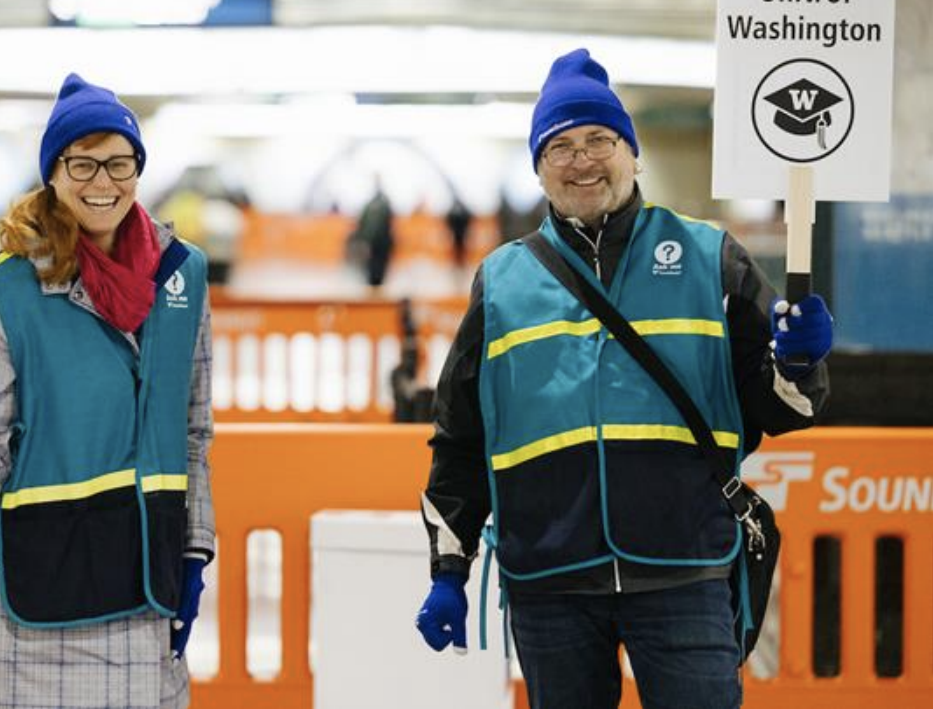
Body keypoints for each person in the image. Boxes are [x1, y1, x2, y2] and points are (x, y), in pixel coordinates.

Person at [414, 49, 832, 709]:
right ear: (540, 167)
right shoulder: (501, 284)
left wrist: (800, 363)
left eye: (599, 140)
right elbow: (460, 437)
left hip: (685, 569)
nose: (582, 160)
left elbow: (785, 408)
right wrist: (448, 568)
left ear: (630, 152)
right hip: (549, 579)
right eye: (561, 146)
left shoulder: (710, 258)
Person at [0, 73, 216, 709]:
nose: (103, 182)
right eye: (83, 163)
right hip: (29, 595)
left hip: (144, 580)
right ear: (54, 174)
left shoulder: (183, 277)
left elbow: (193, 433)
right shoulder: (6, 288)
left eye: (119, 163)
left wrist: (195, 550)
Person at [352, 180, 395, 287]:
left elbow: (361, 224)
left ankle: (373, 287)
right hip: (382, 242)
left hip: (373, 242)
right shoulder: (386, 205)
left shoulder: (369, 206)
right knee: (379, 270)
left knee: (372, 269)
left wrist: (363, 240)